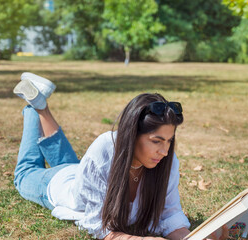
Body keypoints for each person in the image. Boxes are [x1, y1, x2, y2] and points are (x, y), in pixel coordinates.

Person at [12, 73, 229, 240]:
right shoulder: (105, 149)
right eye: (156, 141)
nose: (164, 152)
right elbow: (99, 227)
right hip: (59, 185)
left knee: (70, 164)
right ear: (132, 135)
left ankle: (41, 105)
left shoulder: (166, 163)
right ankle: (34, 110)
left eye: (169, 141)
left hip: (81, 172)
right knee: (25, 173)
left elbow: (170, 215)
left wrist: (192, 237)